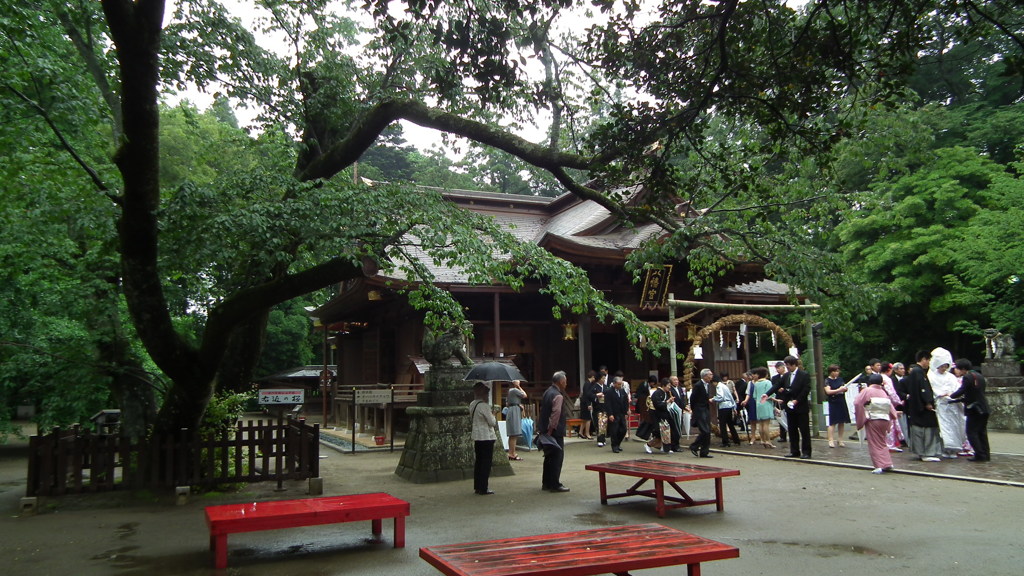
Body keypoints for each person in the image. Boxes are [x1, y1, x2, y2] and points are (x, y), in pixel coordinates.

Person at [763, 355, 811, 459]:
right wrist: (767, 394)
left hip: (801, 406)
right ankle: (794, 451)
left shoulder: (804, 375)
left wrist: (797, 400)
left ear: (794, 365)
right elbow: (777, 385)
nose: (787, 368)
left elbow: (806, 390)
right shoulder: (786, 376)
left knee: (804, 430)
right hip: (789, 406)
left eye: (788, 366)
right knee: (792, 429)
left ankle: (806, 452)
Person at [854, 373, 898, 474]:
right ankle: (887, 463)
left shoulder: (867, 390)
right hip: (885, 419)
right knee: (882, 441)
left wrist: (863, 415)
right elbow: (890, 406)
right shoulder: (883, 392)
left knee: (874, 443)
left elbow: (857, 403)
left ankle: (879, 465)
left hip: (873, 418)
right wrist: (894, 415)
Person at [929, 347, 968, 458]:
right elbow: (934, 389)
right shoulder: (932, 376)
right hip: (941, 404)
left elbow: (957, 388)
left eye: (946, 366)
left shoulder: (951, 376)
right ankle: (945, 448)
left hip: (953, 404)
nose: (944, 368)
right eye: (942, 366)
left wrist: (951, 394)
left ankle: (954, 448)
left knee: (955, 426)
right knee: (944, 427)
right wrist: (943, 394)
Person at [905, 350, 942, 462]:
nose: (929, 363)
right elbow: (922, 389)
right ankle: (926, 452)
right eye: (928, 360)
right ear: (923, 359)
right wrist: (928, 402)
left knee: (920, 429)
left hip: (916, 407)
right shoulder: (918, 372)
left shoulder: (916, 372)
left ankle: (924, 452)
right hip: (921, 408)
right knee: (927, 429)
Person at [950, 358, 991, 462]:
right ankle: (986, 454)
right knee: (982, 432)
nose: (956, 371)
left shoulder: (968, 377)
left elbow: (962, 390)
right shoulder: (979, 376)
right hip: (984, 407)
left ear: (963, 369)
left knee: (971, 432)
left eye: (958, 369)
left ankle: (979, 454)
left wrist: (951, 396)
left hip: (975, 409)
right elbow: (975, 393)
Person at [539, 370, 570, 492]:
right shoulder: (558, 395)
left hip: (545, 430)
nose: (566, 384)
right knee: (557, 457)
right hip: (554, 432)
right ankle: (555, 484)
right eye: (565, 382)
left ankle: (546, 482)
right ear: (561, 382)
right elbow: (556, 414)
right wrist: (552, 429)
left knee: (548, 457)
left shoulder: (547, 392)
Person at [470, 382, 497, 495]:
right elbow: (492, 422)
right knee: (486, 463)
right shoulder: (484, 406)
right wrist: (493, 414)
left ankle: (477, 486)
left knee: (479, 462)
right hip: (486, 436)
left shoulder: (472, 404)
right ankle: (484, 487)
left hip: (477, 436)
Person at [746, 366, 776, 448]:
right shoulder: (768, 382)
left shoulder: (756, 383)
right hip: (766, 403)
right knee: (766, 424)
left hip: (758, 404)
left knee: (761, 424)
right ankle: (768, 440)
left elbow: (754, 396)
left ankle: (762, 440)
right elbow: (770, 394)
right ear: (765, 374)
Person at [648, 377, 681, 453]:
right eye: (668, 386)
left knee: (667, 432)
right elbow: (658, 405)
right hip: (658, 415)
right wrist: (667, 401)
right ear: (663, 385)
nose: (669, 387)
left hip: (666, 414)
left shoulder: (666, 393)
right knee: (660, 433)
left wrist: (670, 402)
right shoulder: (657, 393)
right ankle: (648, 445)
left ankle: (666, 448)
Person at [823, 364, 850, 448]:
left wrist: (844, 389)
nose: (837, 373)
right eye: (835, 371)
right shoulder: (827, 380)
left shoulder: (840, 379)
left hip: (841, 400)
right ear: (831, 372)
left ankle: (840, 439)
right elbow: (828, 391)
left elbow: (844, 387)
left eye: (838, 371)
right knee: (832, 422)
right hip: (833, 402)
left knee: (841, 421)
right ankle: (830, 440)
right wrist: (839, 390)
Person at [688, 369, 714, 458]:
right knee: (705, 431)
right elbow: (693, 398)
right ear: (705, 376)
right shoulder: (698, 385)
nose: (711, 376)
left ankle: (704, 451)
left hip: (705, 409)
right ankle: (694, 446)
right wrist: (694, 410)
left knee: (707, 431)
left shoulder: (707, 385)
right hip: (699, 410)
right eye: (710, 374)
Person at [713, 375, 741, 447]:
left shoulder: (719, 386)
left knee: (722, 425)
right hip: (729, 406)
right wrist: (734, 406)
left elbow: (720, 397)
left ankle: (725, 442)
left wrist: (713, 399)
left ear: (715, 382)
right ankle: (736, 440)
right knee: (730, 424)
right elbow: (731, 396)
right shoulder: (724, 386)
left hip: (723, 406)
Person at [604, 374, 630, 453]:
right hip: (614, 413)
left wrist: (627, 410)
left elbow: (626, 401)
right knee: (614, 431)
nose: (620, 386)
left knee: (623, 430)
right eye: (618, 384)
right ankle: (614, 446)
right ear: (614, 383)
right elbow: (607, 404)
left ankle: (618, 443)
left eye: (621, 384)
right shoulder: (609, 391)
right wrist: (610, 414)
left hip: (621, 413)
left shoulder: (622, 391)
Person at [505, 380, 527, 461]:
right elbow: (525, 395)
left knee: (512, 434)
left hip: (512, 409)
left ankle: (511, 452)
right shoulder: (514, 390)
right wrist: (519, 386)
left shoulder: (509, 391)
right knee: (514, 433)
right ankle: (512, 453)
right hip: (514, 411)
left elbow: (507, 403)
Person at [770, 361, 789, 442]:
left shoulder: (788, 376)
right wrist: (778, 389)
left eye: (779, 368)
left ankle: (792, 434)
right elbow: (773, 388)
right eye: (776, 368)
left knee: (789, 417)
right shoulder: (774, 378)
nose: (777, 370)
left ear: (783, 367)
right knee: (780, 417)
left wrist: (784, 389)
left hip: (787, 398)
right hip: (778, 399)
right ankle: (783, 436)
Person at [581, 370, 600, 440]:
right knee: (588, 419)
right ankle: (587, 433)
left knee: (584, 419)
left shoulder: (587, 383)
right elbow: (587, 395)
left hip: (584, 402)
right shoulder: (588, 384)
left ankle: (580, 432)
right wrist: (589, 404)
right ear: (592, 377)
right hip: (586, 403)